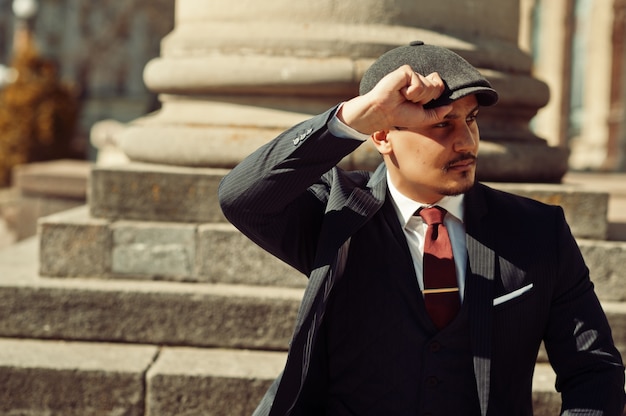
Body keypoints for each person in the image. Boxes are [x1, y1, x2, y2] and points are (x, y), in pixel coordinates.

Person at [218, 41, 625, 415]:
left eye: (471, 120)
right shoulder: (337, 215)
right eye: (442, 125)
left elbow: (593, 371)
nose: (466, 142)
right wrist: (348, 119)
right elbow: (241, 196)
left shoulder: (537, 230)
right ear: (381, 136)